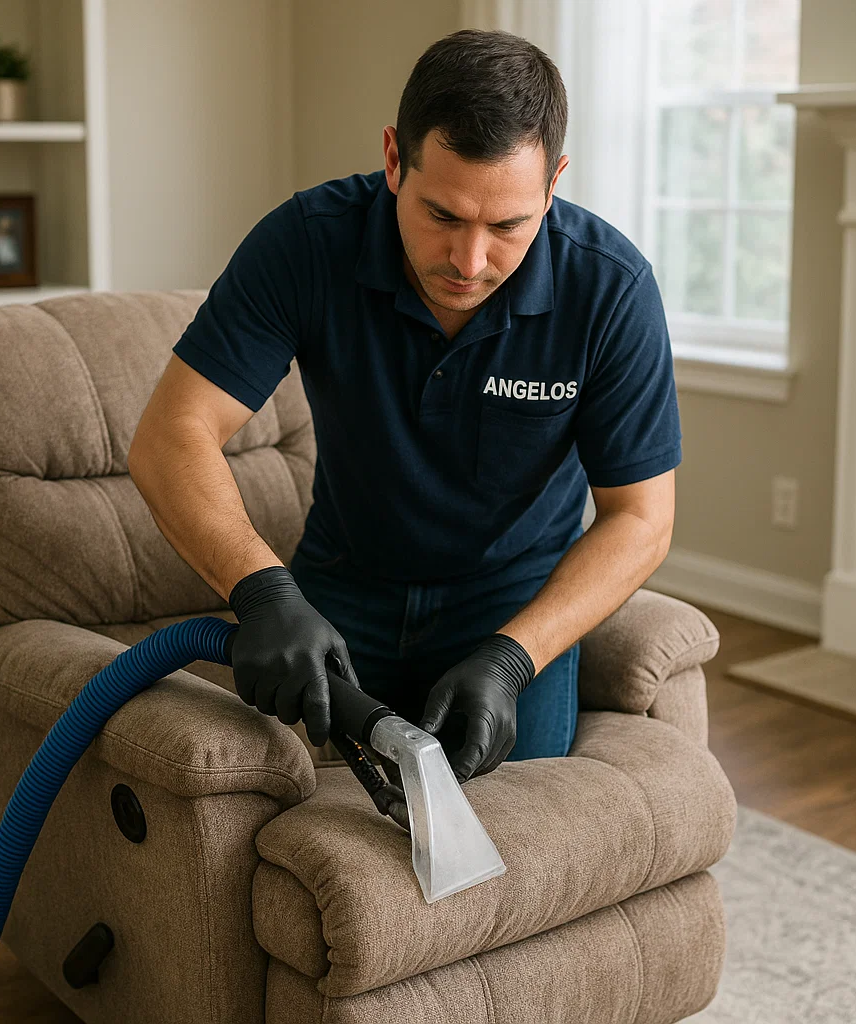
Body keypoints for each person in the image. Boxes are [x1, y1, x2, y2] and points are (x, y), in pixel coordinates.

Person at [129, 29, 680, 784]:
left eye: (507, 226)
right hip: (342, 588)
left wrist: (512, 659)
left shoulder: (611, 289)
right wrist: (262, 591)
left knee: (518, 826)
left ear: (554, 182)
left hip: (511, 611)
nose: (469, 262)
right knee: (266, 804)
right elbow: (172, 434)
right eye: (443, 215)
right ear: (394, 159)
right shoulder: (307, 242)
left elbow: (641, 518)